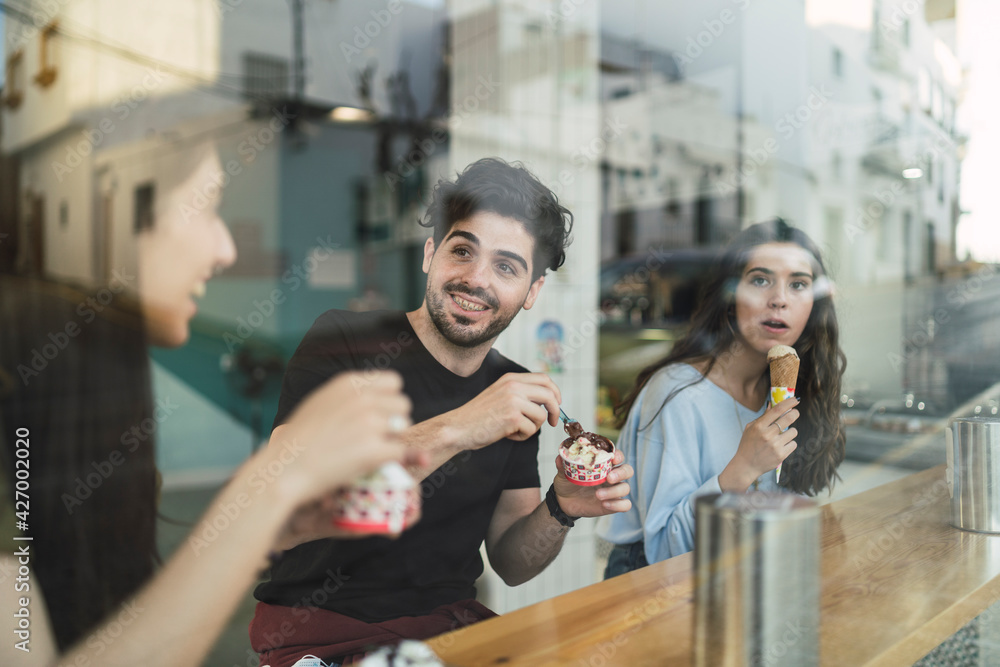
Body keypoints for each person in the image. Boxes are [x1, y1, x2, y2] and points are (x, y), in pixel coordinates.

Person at [0, 144, 415, 666]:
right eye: (205, 205)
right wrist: (273, 482)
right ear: (115, 212)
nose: (226, 250)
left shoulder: (79, 403)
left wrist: (269, 522)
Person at [250, 157, 635, 666]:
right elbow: (279, 497)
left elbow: (511, 563)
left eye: (505, 266)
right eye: (462, 250)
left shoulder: (513, 390)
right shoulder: (343, 338)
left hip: (449, 635)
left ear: (530, 293)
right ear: (431, 253)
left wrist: (561, 507)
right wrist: (463, 426)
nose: (475, 279)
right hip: (322, 636)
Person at [598, 219, 846, 577]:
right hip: (651, 584)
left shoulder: (793, 390)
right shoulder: (677, 394)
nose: (779, 299)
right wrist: (742, 467)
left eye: (798, 284)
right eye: (760, 280)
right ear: (729, 296)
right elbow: (667, 550)